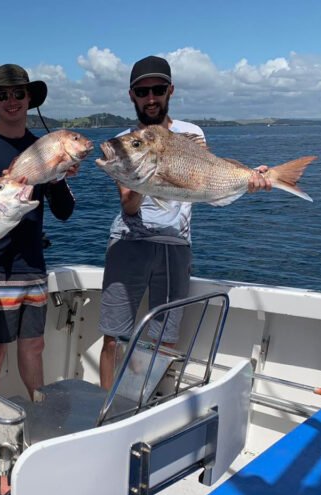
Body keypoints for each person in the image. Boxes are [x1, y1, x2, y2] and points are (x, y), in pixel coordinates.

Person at [98, 56, 271, 390]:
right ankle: (104, 412)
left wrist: (249, 180)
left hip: (176, 246)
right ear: (131, 95)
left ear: (170, 91)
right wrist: (137, 182)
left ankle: (140, 404)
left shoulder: (192, 134)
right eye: (142, 91)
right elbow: (129, 208)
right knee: (113, 335)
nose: (151, 98)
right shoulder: (124, 142)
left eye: (158, 89)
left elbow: (208, 182)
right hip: (128, 243)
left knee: (164, 339)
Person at [0, 64, 76, 399]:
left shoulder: (47, 149)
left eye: (18, 93)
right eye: (3, 95)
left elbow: (65, 212)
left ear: (29, 99)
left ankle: (40, 415)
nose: (12, 101)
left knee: (35, 346)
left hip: (34, 265)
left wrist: (57, 175)